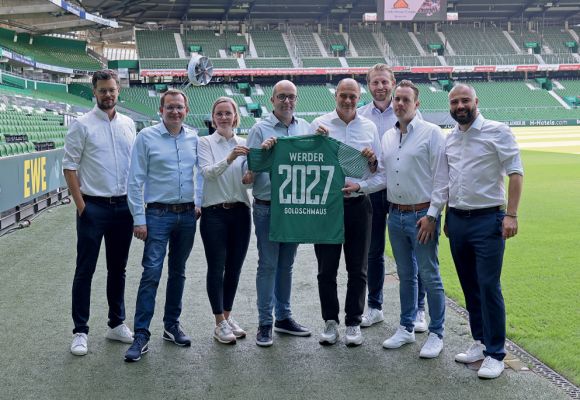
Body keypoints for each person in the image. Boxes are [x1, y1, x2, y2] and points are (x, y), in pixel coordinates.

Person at [432, 84, 523, 378]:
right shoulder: (450, 138)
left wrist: (511, 215)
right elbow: (449, 180)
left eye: (465, 100)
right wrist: (447, 216)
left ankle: (496, 352)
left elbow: (515, 173)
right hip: (458, 220)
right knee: (469, 285)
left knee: (488, 285)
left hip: (489, 220)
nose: (460, 105)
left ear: (476, 101)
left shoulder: (497, 131)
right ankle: (480, 341)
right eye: (455, 101)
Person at [359, 80, 447, 358]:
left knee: (429, 274)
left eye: (405, 100)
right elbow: (383, 177)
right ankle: (407, 327)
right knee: (406, 275)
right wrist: (360, 187)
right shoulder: (388, 137)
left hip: (423, 215)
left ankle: (436, 333)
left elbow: (442, 179)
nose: (399, 104)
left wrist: (433, 215)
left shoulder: (431, 133)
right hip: (395, 215)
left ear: (416, 104)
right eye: (397, 99)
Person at [124, 89, 203, 362]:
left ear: (186, 111)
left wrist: (199, 202)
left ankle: (171, 325)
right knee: (151, 274)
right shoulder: (146, 137)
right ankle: (141, 335)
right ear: (161, 110)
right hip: (157, 215)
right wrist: (139, 219)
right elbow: (134, 181)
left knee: (178, 272)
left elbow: (201, 174)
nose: (175, 111)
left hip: (187, 215)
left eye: (179, 107)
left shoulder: (194, 138)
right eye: (169, 107)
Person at [63, 69, 136, 356]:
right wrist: (82, 207)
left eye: (112, 90)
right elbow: (70, 167)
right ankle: (80, 330)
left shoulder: (129, 124)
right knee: (85, 270)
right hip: (93, 207)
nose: (108, 94)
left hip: (123, 207)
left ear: (119, 91)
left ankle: (116, 323)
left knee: (118, 269)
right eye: (102, 90)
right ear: (94, 92)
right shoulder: (82, 125)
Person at [310, 78, 380, 347]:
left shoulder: (369, 127)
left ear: (359, 97)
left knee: (357, 268)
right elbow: (308, 161)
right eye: (344, 95)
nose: (348, 100)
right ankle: (330, 321)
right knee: (326, 269)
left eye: (353, 96)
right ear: (335, 96)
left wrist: (372, 160)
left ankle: (353, 322)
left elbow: (376, 168)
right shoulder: (320, 124)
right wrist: (316, 144)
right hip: (327, 205)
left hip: (358, 204)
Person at [358, 64, 427, 332]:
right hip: (375, 189)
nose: (381, 87)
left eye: (385, 82)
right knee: (373, 251)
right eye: (375, 82)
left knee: (411, 253)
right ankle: (375, 306)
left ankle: (419, 309)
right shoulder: (362, 116)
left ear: (393, 82)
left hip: (405, 191)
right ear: (369, 85)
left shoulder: (410, 113)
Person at [246, 80, 312, 347]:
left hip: (293, 206)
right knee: (268, 264)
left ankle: (283, 317)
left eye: (291, 97)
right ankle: (265, 321)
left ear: (296, 100)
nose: (287, 101)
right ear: (272, 99)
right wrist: (264, 155)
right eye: (282, 96)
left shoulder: (305, 127)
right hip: (268, 206)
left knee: (286, 265)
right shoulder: (259, 129)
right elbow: (247, 175)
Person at [197, 97, 251, 344]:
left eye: (228, 113)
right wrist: (229, 158)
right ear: (213, 117)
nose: (224, 117)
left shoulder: (245, 143)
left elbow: (249, 176)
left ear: (235, 116)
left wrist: (251, 174)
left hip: (240, 212)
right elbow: (208, 173)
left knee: (235, 267)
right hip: (214, 213)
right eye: (219, 113)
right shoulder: (205, 142)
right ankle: (218, 321)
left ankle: (227, 317)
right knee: (216, 267)